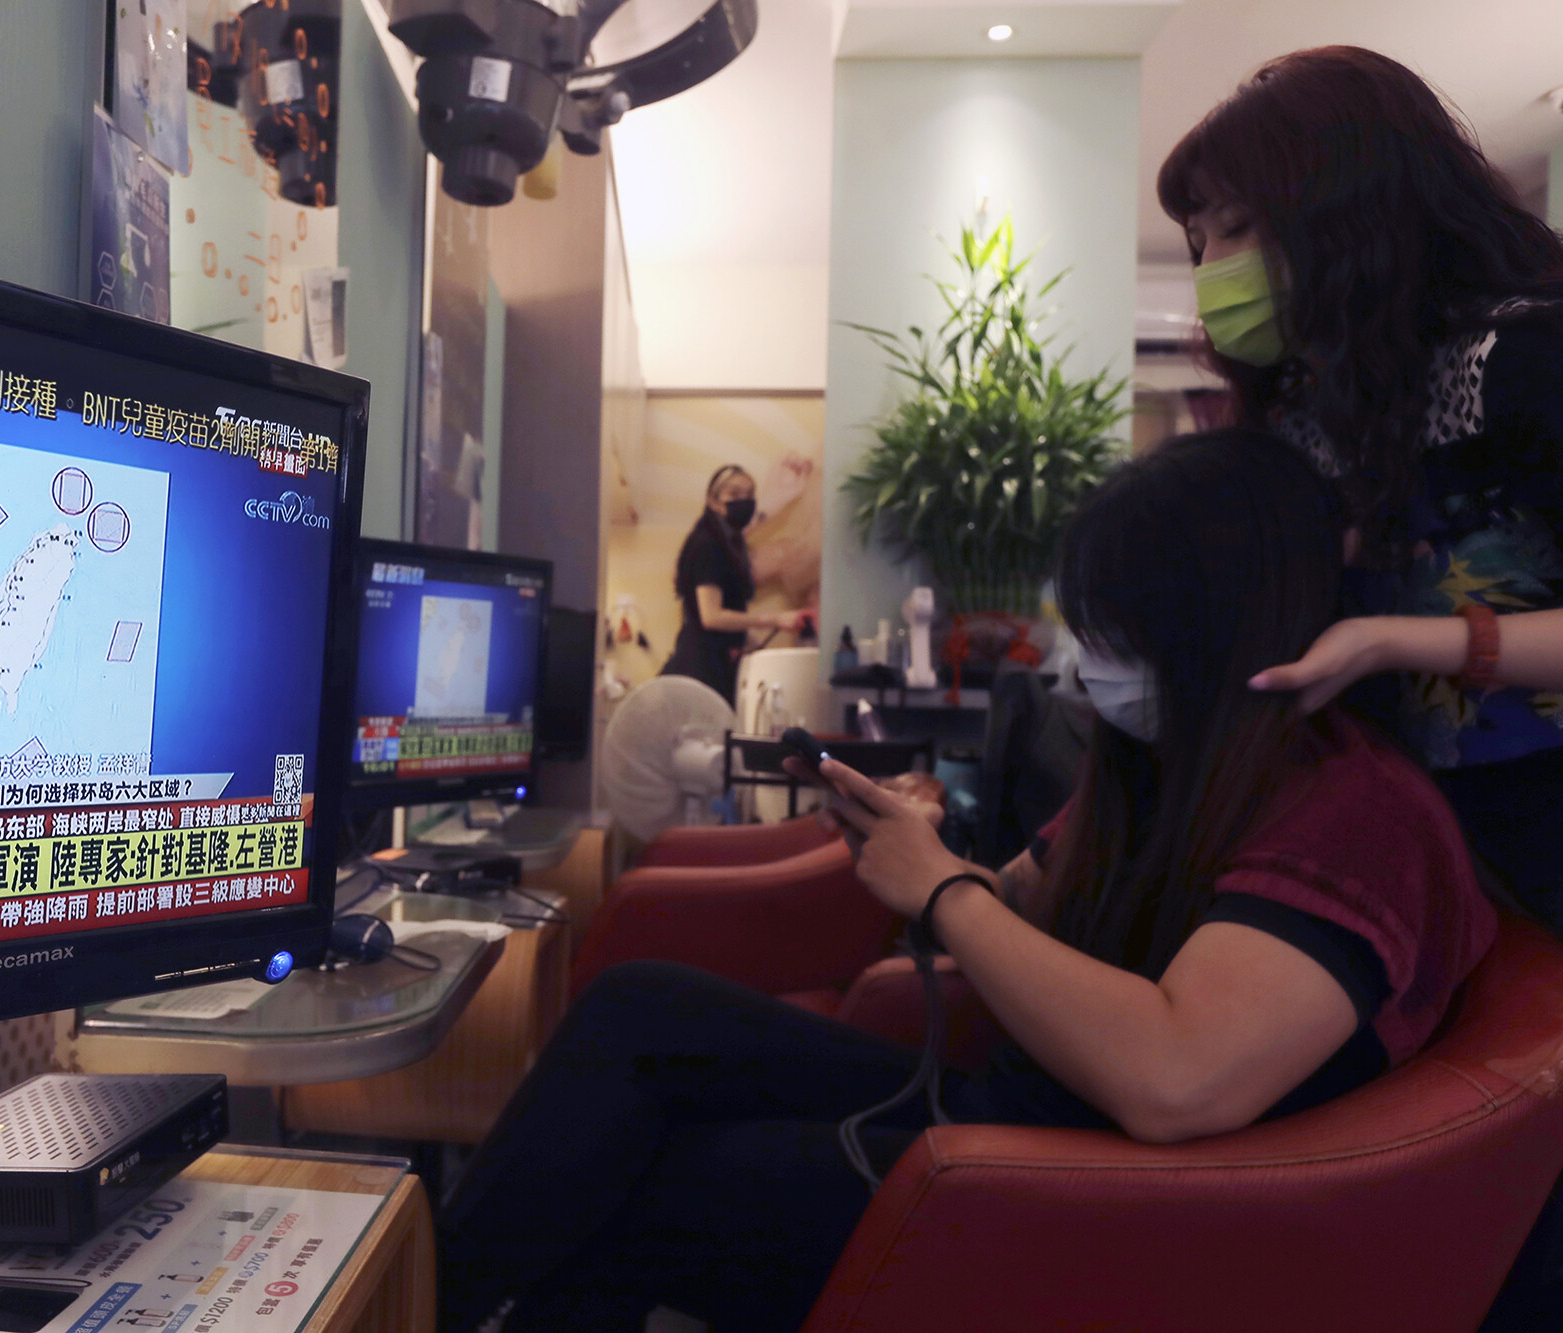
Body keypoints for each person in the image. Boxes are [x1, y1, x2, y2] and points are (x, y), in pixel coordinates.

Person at [435, 431, 1497, 1333]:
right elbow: (1024, 893)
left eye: (1118, 630)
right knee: (635, 1009)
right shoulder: (1169, 762)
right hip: (1021, 1106)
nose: (1087, 661)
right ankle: (413, 1301)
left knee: (656, 1188)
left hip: (1098, 1195)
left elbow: (1178, 1077)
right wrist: (922, 848)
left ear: (1210, 624)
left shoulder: (1355, 816)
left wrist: (944, 893)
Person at [1156, 46, 1563, 927]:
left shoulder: (1522, 361)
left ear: (1351, 215)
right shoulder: (1306, 407)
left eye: (1233, 229)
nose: (1211, 271)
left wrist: (1395, 640)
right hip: (1397, 850)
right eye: (1198, 245)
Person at [659, 464, 815, 704]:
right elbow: (711, 616)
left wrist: (748, 644)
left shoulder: (727, 543)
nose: (744, 501)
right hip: (698, 673)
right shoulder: (708, 545)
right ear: (714, 501)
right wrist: (776, 619)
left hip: (712, 668)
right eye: (734, 494)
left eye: (750, 494)